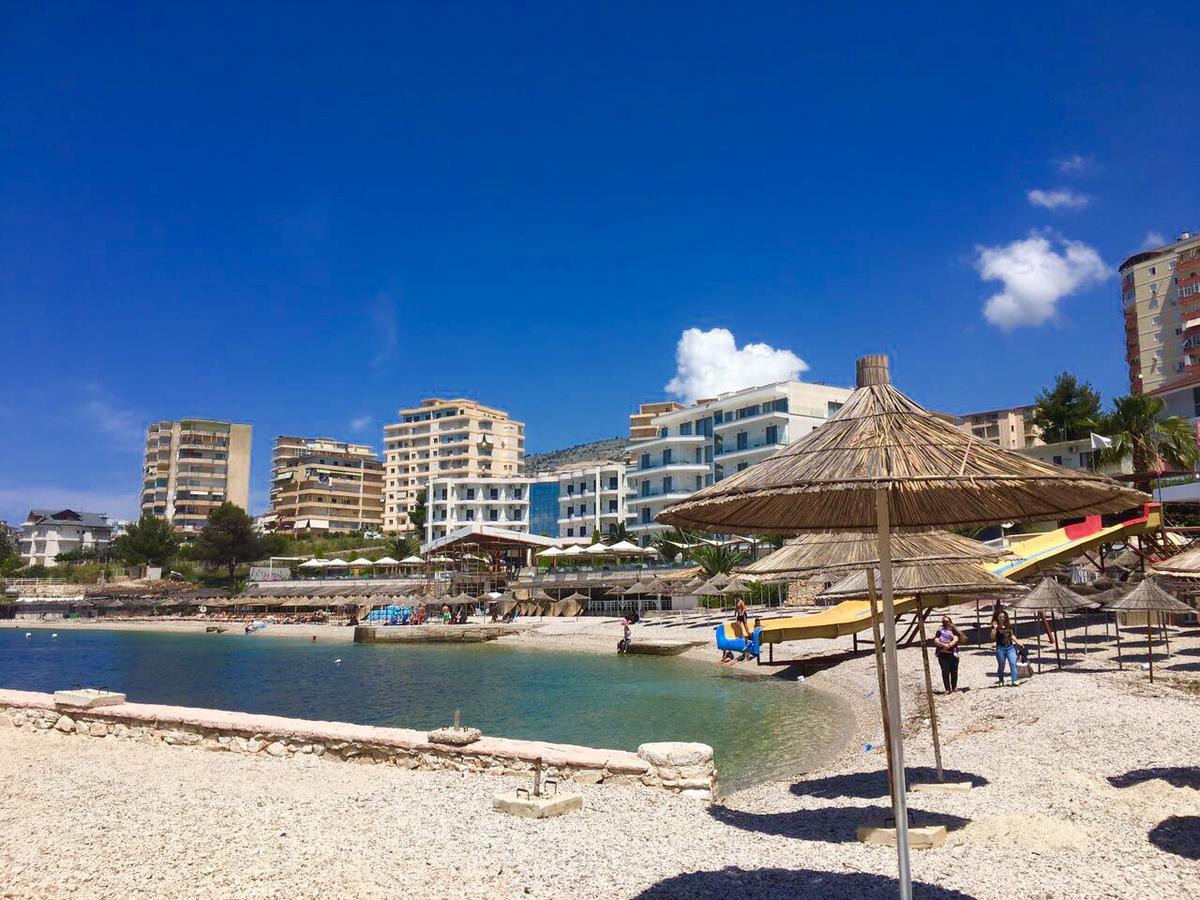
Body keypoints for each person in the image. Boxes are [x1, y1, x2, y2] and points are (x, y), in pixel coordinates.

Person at [990, 609, 1022, 686]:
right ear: (997, 617)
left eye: (1003, 617)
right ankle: (1001, 680)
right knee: (1001, 664)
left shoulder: (1009, 626)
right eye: (1000, 617)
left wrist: (1018, 642)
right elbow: (992, 637)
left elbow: (1011, 635)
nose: (1002, 619)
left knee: (1013, 663)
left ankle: (1014, 680)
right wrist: (994, 628)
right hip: (1000, 648)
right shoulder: (995, 627)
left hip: (1010, 647)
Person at [933, 616, 964, 693]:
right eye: (944, 621)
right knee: (945, 671)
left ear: (950, 622)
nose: (946, 623)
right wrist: (943, 645)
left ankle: (954, 687)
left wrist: (948, 645)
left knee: (954, 671)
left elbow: (956, 639)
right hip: (943, 655)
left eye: (947, 621)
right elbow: (936, 640)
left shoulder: (954, 631)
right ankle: (947, 689)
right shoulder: (939, 632)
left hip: (952, 654)